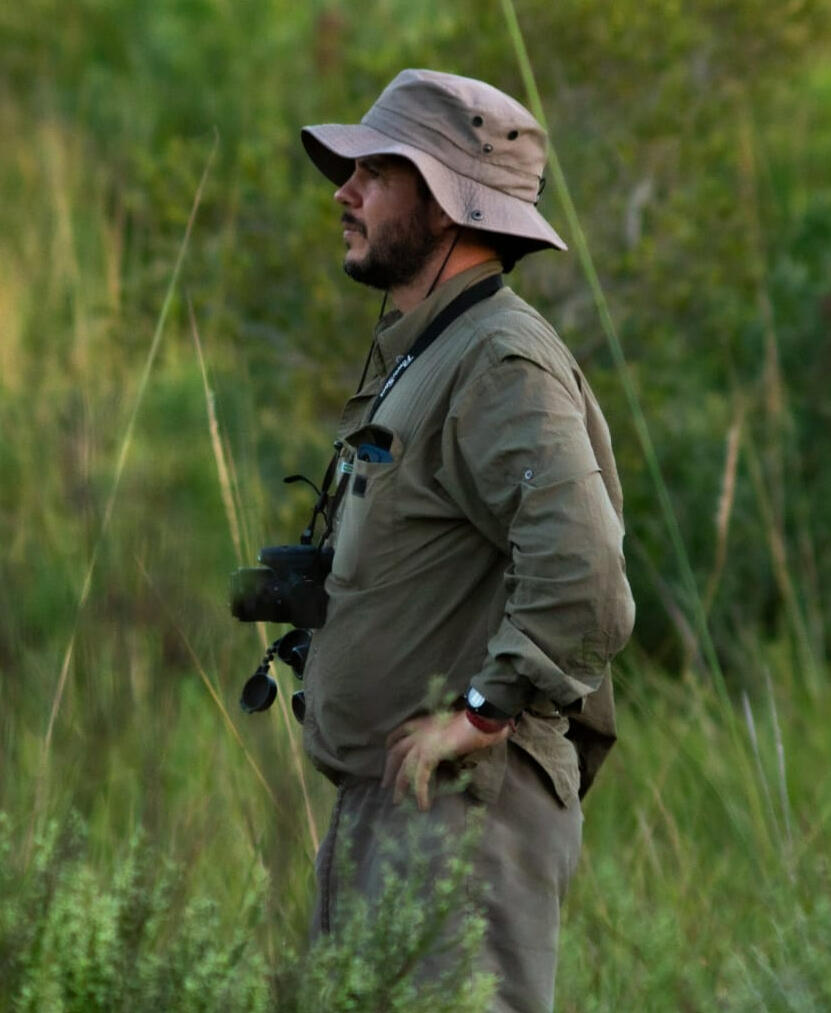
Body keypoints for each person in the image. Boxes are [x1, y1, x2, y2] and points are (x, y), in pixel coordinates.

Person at [298, 69, 635, 1012]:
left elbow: (585, 575)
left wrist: (482, 711)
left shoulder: (498, 359)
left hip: (463, 812)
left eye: (376, 171)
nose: (345, 191)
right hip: (401, 812)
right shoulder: (433, 348)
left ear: (449, 200)